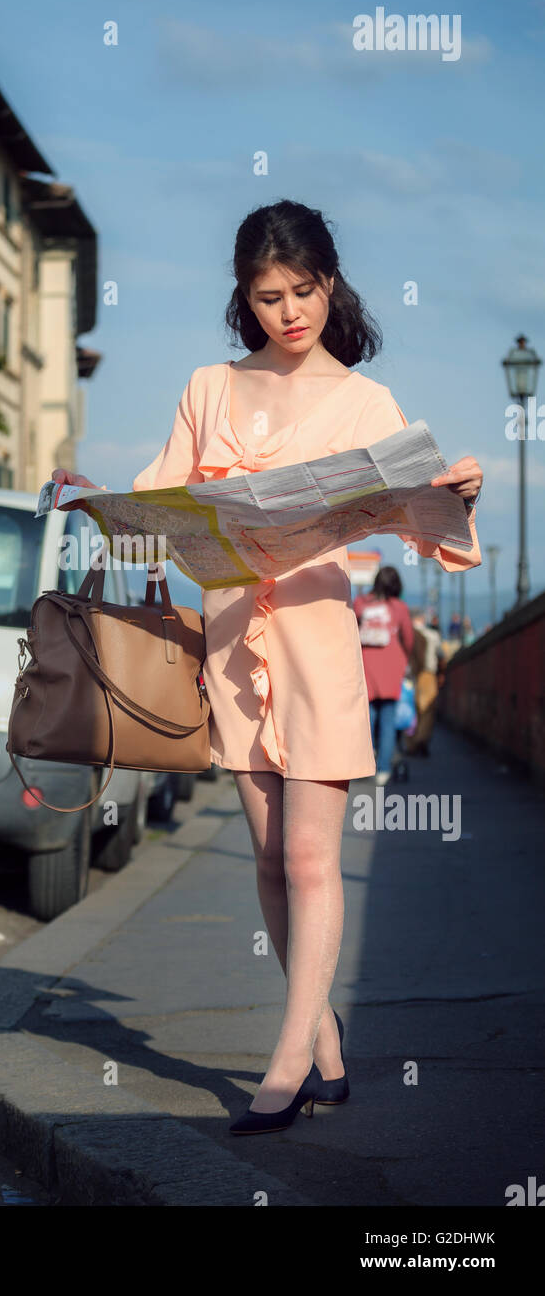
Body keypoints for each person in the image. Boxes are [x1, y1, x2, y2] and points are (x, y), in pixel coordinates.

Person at [51, 199, 483, 1135]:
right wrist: (99, 497)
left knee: (309, 853)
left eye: (303, 292)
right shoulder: (210, 387)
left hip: (320, 641)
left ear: (331, 282)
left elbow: (433, 535)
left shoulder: (370, 404)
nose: (289, 313)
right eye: (268, 296)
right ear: (244, 298)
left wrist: (459, 494)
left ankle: (288, 1057)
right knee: (267, 858)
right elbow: (161, 502)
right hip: (232, 640)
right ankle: (323, 1037)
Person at [353, 566, 414, 785]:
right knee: (388, 721)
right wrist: (406, 661)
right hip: (391, 668)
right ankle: (383, 770)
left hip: (365, 665)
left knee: (367, 719)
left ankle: (362, 765)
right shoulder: (399, 608)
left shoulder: (360, 604)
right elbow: (408, 639)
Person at [405, 607, 444, 756]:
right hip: (428, 674)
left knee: (410, 709)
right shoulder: (432, 635)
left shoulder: (406, 634)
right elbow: (441, 655)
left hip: (409, 676)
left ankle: (410, 743)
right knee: (427, 709)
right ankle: (422, 738)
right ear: (421, 618)